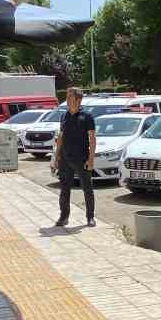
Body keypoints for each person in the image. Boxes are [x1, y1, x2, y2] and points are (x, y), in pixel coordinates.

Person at [51, 86, 97, 228]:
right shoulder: (64, 116)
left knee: (87, 188)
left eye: (70, 97)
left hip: (82, 158)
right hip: (65, 158)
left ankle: (90, 217)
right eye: (67, 97)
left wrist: (91, 159)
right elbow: (61, 137)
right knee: (64, 188)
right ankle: (64, 217)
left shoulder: (87, 116)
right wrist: (55, 157)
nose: (67, 99)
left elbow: (92, 138)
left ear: (78, 99)